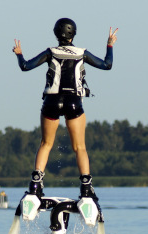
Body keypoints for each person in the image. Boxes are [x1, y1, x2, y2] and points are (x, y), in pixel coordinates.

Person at [13, 18, 118, 201]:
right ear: (73, 34)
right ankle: (86, 187)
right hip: (73, 102)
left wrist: (19, 53)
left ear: (55, 33)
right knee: (79, 147)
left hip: (51, 102)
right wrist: (109, 45)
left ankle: (36, 185)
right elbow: (106, 65)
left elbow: (25, 66)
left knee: (46, 144)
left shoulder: (50, 52)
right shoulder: (81, 53)